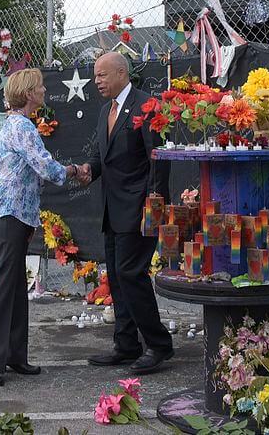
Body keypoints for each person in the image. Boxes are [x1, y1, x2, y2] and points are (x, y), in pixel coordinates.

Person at [0, 68, 86, 387]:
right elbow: (46, 167)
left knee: (14, 285)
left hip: (16, 215)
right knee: (3, 285)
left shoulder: (17, 124)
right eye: (40, 87)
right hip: (9, 214)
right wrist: (76, 170)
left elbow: (31, 173)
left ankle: (13, 355)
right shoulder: (22, 126)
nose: (44, 91)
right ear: (28, 93)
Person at [79, 52, 174, 375]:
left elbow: (158, 159)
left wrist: (154, 202)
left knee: (132, 274)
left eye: (102, 76)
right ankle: (126, 344)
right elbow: (99, 157)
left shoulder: (147, 106)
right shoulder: (106, 110)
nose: (97, 82)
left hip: (139, 208)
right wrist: (83, 171)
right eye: (95, 77)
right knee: (118, 277)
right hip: (112, 208)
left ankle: (158, 345)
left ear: (121, 73)